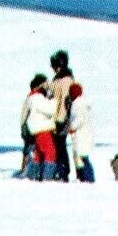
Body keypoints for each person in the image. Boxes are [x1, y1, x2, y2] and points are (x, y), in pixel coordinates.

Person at [21, 73, 59, 180]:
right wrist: (54, 99)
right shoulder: (37, 98)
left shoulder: (31, 97)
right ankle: (47, 177)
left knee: (38, 154)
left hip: (36, 130)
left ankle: (33, 175)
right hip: (42, 129)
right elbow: (50, 110)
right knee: (50, 153)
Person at [47, 50, 75, 181]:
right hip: (56, 117)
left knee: (60, 145)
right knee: (58, 145)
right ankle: (60, 170)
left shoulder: (66, 80)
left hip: (61, 118)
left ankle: (63, 171)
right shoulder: (58, 79)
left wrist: (61, 119)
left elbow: (64, 100)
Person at [66, 82, 96, 183]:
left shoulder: (77, 104)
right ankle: (83, 178)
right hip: (84, 135)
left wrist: (72, 127)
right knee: (81, 158)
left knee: (82, 159)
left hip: (81, 136)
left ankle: (87, 178)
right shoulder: (83, 103)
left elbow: (79, 119)